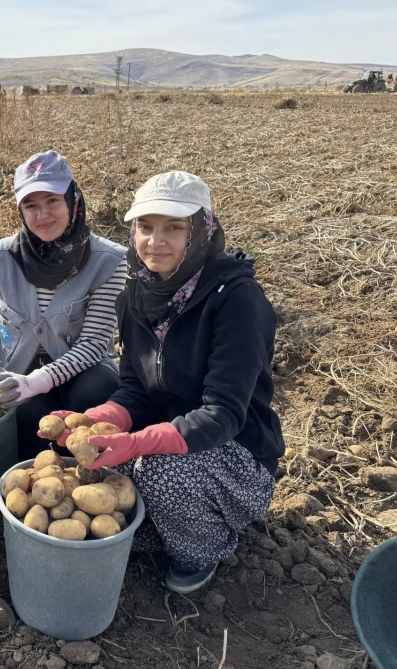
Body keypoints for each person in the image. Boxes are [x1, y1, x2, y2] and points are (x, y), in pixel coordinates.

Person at [46, 170, 284, 595]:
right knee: (98, 461)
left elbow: (223, 413)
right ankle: (162, 527)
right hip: (166, 429)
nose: (156, 241)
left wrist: (137, 444)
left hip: (236, 449)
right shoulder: (136, 293)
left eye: (174, 228)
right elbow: (135, 387)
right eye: (146, 227)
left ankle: (201, 550)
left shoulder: (237, 301)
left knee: (157, 472)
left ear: (202, 231)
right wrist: (92, 418)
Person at [0, 150, 127, 460]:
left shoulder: (110, 262)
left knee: (96, 391)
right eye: (30, 205)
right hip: (16, 373)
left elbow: (92, 344)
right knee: (27, 418)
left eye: (52, 201)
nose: (42, 215)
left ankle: (92, 460)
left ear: (72, 200)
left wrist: (37, 381)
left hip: (82, 373)